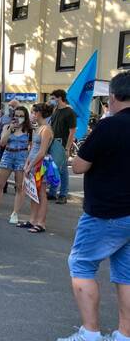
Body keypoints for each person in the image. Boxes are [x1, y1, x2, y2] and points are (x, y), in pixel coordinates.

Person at [57, 71, 130, 341]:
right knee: (126, 275)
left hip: (105, 212)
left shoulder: (109, 126)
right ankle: (124, 335)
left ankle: (90, 334)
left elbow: (79, 165)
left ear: (113, 96)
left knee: (81, 265)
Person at [0, 106, 32, 224]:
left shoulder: (29, 130)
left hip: (21, 156)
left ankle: (15, 213)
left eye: (21, 116)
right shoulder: (7, 127)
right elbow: (2, 142)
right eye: (16, 116)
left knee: (19, 187)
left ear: (25, 117)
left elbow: (31, 146)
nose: (18, 118)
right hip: (8, 155)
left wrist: (28, 162)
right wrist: (10, 129)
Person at [16, 103, 54, 233]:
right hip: (33, 164)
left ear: (38, 113)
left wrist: (30, 165)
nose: (31, 115)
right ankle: (32, 220)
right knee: (33, 193)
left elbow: (42, 152)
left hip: (40, 166)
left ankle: (41, 223)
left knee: (41, 193)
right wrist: (27, 163)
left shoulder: (46, 129)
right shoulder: (39, 128)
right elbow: (33, 148)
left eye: (33, 112)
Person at [48, 89, 77, 204]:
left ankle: (63, 194)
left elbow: (72, 132)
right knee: (53, 168)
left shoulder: (69, 112)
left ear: (60, 98)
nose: (51, 100)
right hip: (53, 142)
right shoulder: (55, 110)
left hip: (61, 143)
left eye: (53, 98)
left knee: (62, 170)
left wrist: (67, 148)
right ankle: (52, 192)